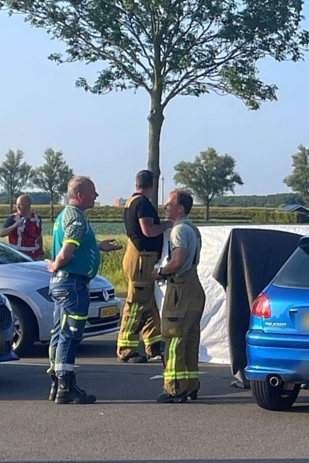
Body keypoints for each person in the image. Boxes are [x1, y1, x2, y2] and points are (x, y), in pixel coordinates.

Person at [46, 176, 122, 404]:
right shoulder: (76, 218)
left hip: (64, 283)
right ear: (79, 195)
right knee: (71, 334)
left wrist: (97, 247)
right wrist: (57, 263)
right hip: (72, 283)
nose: (96, 196)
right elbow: (68, 249)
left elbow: (76, 244)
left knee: (59, 332)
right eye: (93, 191)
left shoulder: (65, 215)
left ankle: (56, 382)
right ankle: (66, 385)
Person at [152, 189, 206, 403]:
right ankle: (191, 386)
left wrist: (160, 272)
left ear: (180, 208)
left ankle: (174, 389)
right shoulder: (193, 228)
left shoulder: (179, 230)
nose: (165, 207)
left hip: (180, 290)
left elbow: (178, 261)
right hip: (194, 288)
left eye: (169, 204)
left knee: (173, 340)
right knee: (190, 341)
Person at [116, 170, 172, 363]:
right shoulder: (143, 204)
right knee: (137, 304)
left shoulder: (131, 202)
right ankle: (126, 349)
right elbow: (148, 230)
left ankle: (153, 345)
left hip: (139, 257)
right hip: (142, 259)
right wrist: (166, 225)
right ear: (152, 185)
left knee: (149, 302)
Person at [0, 195, 44, 260]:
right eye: (17, 204)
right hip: (16, 255)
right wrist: (15, 225)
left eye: (21, 205)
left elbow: (39, 236)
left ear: (28, 205)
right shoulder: (13, 218)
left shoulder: (37, 219)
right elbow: (2, 233)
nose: (18, 207)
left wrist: (41, 252)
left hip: (33, 254)